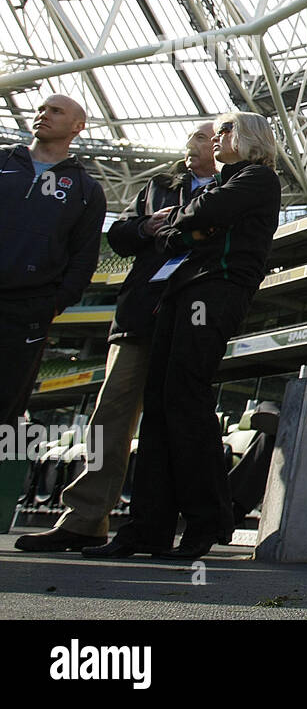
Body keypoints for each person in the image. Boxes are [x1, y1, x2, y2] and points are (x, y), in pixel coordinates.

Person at [85, 112, 282, 561]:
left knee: (184, 399)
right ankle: (147, 527)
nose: (218, 138)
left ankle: (207, 520)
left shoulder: (258, 179)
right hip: (179, 290)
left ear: (251, 137)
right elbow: (178, 234)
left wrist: (189, 224)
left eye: (228, 130)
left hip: (217, 288)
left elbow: (201, 216)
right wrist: (189, 226)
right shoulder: (223, 183)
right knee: (157, 404)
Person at [17, 125, 217, 553]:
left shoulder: (234, 187)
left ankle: (168, 525)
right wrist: (146, 227)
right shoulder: (159, 187)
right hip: (141, 314)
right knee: (110, 416)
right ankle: (85, 519)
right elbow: (119, 237)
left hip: (192, 316)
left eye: (202, 138)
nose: (192, 144)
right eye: (191, 139)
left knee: (175, 419)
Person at [1, 95, 106, 429]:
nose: (43, 114)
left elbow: (84, 256)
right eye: (41, 109)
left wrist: (53, 303)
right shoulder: (2, 161)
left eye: (55, 111)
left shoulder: (86, 190)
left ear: (78, 127)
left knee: (6, 403)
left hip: (26, 312)